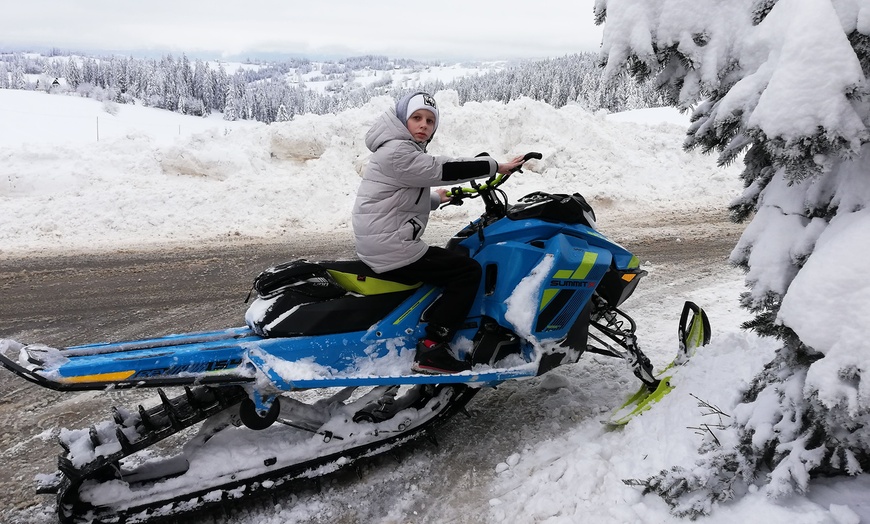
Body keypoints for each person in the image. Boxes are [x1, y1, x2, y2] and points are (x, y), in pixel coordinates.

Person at [352, 91, 526, 374]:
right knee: (467, 271)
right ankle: (433, 345)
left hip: (382, 240)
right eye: (417, 118)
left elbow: (399, 195)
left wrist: (436, 199)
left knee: (447, 260)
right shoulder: (398, 151)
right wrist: (496, 165)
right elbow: (441, 168)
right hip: (393, 247)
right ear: (401, 120)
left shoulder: (394, 149)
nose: (423, 125)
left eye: (430, 121)